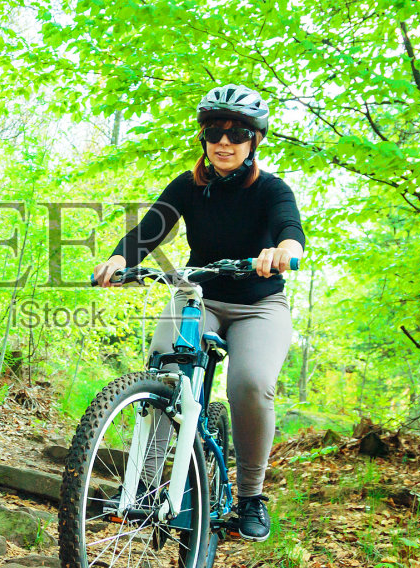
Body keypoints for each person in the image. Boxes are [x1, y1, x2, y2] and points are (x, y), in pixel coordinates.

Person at [92, 85, 305, 542]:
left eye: (237, 133)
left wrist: (285, 250)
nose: (224, 142)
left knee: (250, 384)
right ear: (204, 137)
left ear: (254, 141)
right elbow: (150, 228)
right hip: (199, 297)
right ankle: (145, 486)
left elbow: (289, 228)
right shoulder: (190, 186)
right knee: (164, 368)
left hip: (259, 306)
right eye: (214, 132)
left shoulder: (271, 189)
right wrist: (118, 258)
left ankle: (250, 497)